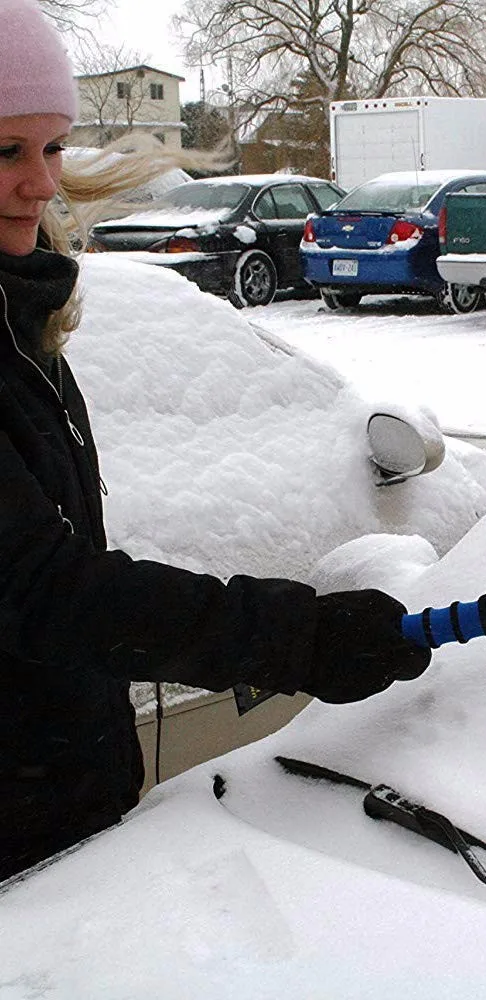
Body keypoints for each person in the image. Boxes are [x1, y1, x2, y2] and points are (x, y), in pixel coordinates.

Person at [0, 0, 431, 882]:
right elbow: (39, 589)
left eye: (50, 149)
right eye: (6, 151)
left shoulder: (21, 319)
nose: (41, 184)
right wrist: (293, 637)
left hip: (54, 810)